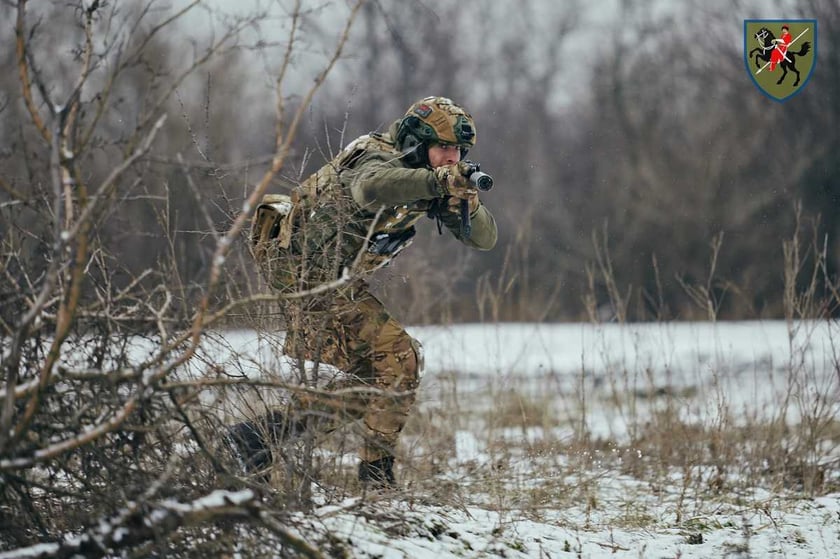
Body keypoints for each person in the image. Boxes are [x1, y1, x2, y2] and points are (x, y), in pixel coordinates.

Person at [231, 96, 497, 488]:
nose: (451, 158)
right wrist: (435, 181)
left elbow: (486, 239)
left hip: (332, 281)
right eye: (443, 148)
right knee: (401, 359)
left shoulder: (435, 175)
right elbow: (371, 188)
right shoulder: (377, 156)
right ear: (417, 142)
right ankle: (376, 479)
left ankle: (259, 437)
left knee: (381, 377)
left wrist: (466, 200)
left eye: (458, 151)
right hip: (305, 272)